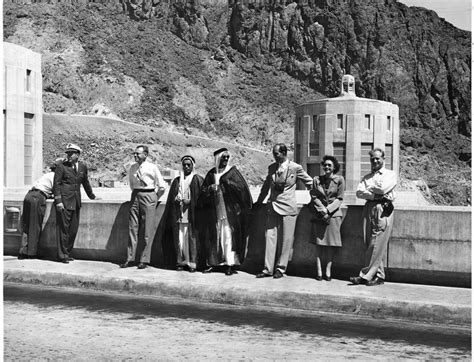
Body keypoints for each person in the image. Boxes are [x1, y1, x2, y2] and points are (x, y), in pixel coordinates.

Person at [254, 143, 313, 279]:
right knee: (270, 237)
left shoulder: (295, 168)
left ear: (284, 153)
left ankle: (281, 268)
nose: (274, 156)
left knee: (286, 240)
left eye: (277, 154)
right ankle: (267, 269)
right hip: (272, 207)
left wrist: (315, 200)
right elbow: (265, 187)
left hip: (288, 208)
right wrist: (259, 201)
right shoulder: (272, 168)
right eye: (274, 154)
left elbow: (310, 182)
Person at [199, 148, 252, 276]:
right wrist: (210, 189)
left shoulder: (232, 173)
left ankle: (230, 264)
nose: (226, 160)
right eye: (223, 157)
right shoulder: (211, 174)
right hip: (214, 211)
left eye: (227, 157)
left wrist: (227, 186)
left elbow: (242, 191)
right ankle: (214, 263)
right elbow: (202, 192)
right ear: (218, 158)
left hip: (230, 212)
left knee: (229, 236)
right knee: (215, 236)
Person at [350, 148, 397, 287]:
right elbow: (359, 192)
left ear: (383, 158)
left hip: (382, 209)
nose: (375, 161)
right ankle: (379, 276)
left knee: (376, 243)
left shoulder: (390, 174)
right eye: (372, 159)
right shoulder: (367, 177)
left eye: (378, 158)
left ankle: (364, 275)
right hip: (369, 208)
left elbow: (383, 190)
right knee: (370, 242)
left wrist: (370, 189)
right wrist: (373, 192)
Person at [121, 145, 167, 270]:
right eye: (134, 153)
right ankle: (130, 258)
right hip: (135, 195)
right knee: (133, 227)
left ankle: (144, 260)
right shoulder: (133, 168)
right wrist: (136, 194)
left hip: (149, 195)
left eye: (138, 154)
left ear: (145, 155)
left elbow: (162, 186)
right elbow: (131, 183)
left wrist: (154, 198)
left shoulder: (152, 167)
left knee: (147, 229)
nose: (135, 156)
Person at [160, 155, 204, 272]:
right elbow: (171, 197)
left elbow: (202, 199)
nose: (186, 167)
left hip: (192, 215)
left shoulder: (197, 179)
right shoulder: (177, 180)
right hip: (179, 215)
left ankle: (192, 263)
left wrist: (191, 201)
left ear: (193, 166)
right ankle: (180, 262)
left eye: (189, 165)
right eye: (184, 165)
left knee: (191, 239)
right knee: (180, 239)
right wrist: (176, 199)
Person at [54, 144, 96, 263]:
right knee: (63, 229)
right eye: (67, 153)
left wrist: (92, 196)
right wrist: (58, 201)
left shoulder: (82, 166)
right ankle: (62, 255)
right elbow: (56, 185)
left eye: (71, 153)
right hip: (64, 202)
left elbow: (85, 182)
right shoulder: (61, 166)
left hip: (76, 202)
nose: (68, 156)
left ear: (77, 154)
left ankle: (67, 252)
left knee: (73, 229)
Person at [19, 158, 64, 259]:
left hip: (29, 195)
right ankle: (32, 253)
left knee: (26, 224)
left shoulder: (46, 175)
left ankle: (23, 251)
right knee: (35, 225)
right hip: (38, 197)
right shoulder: (56, 176)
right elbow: (57, 191)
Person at [309, 155, 345, 281]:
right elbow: (313, 196)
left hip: (333, 215)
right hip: (319, 214)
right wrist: (321, 209)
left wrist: (328, 210)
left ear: (334, 167)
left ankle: (328, 270)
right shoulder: (316, 179)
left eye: (330, 165)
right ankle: (319, 270)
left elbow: (340, 198)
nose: (327, 167)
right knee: (319, 243)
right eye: (325, 165)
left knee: (331, 244)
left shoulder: (340, 180)